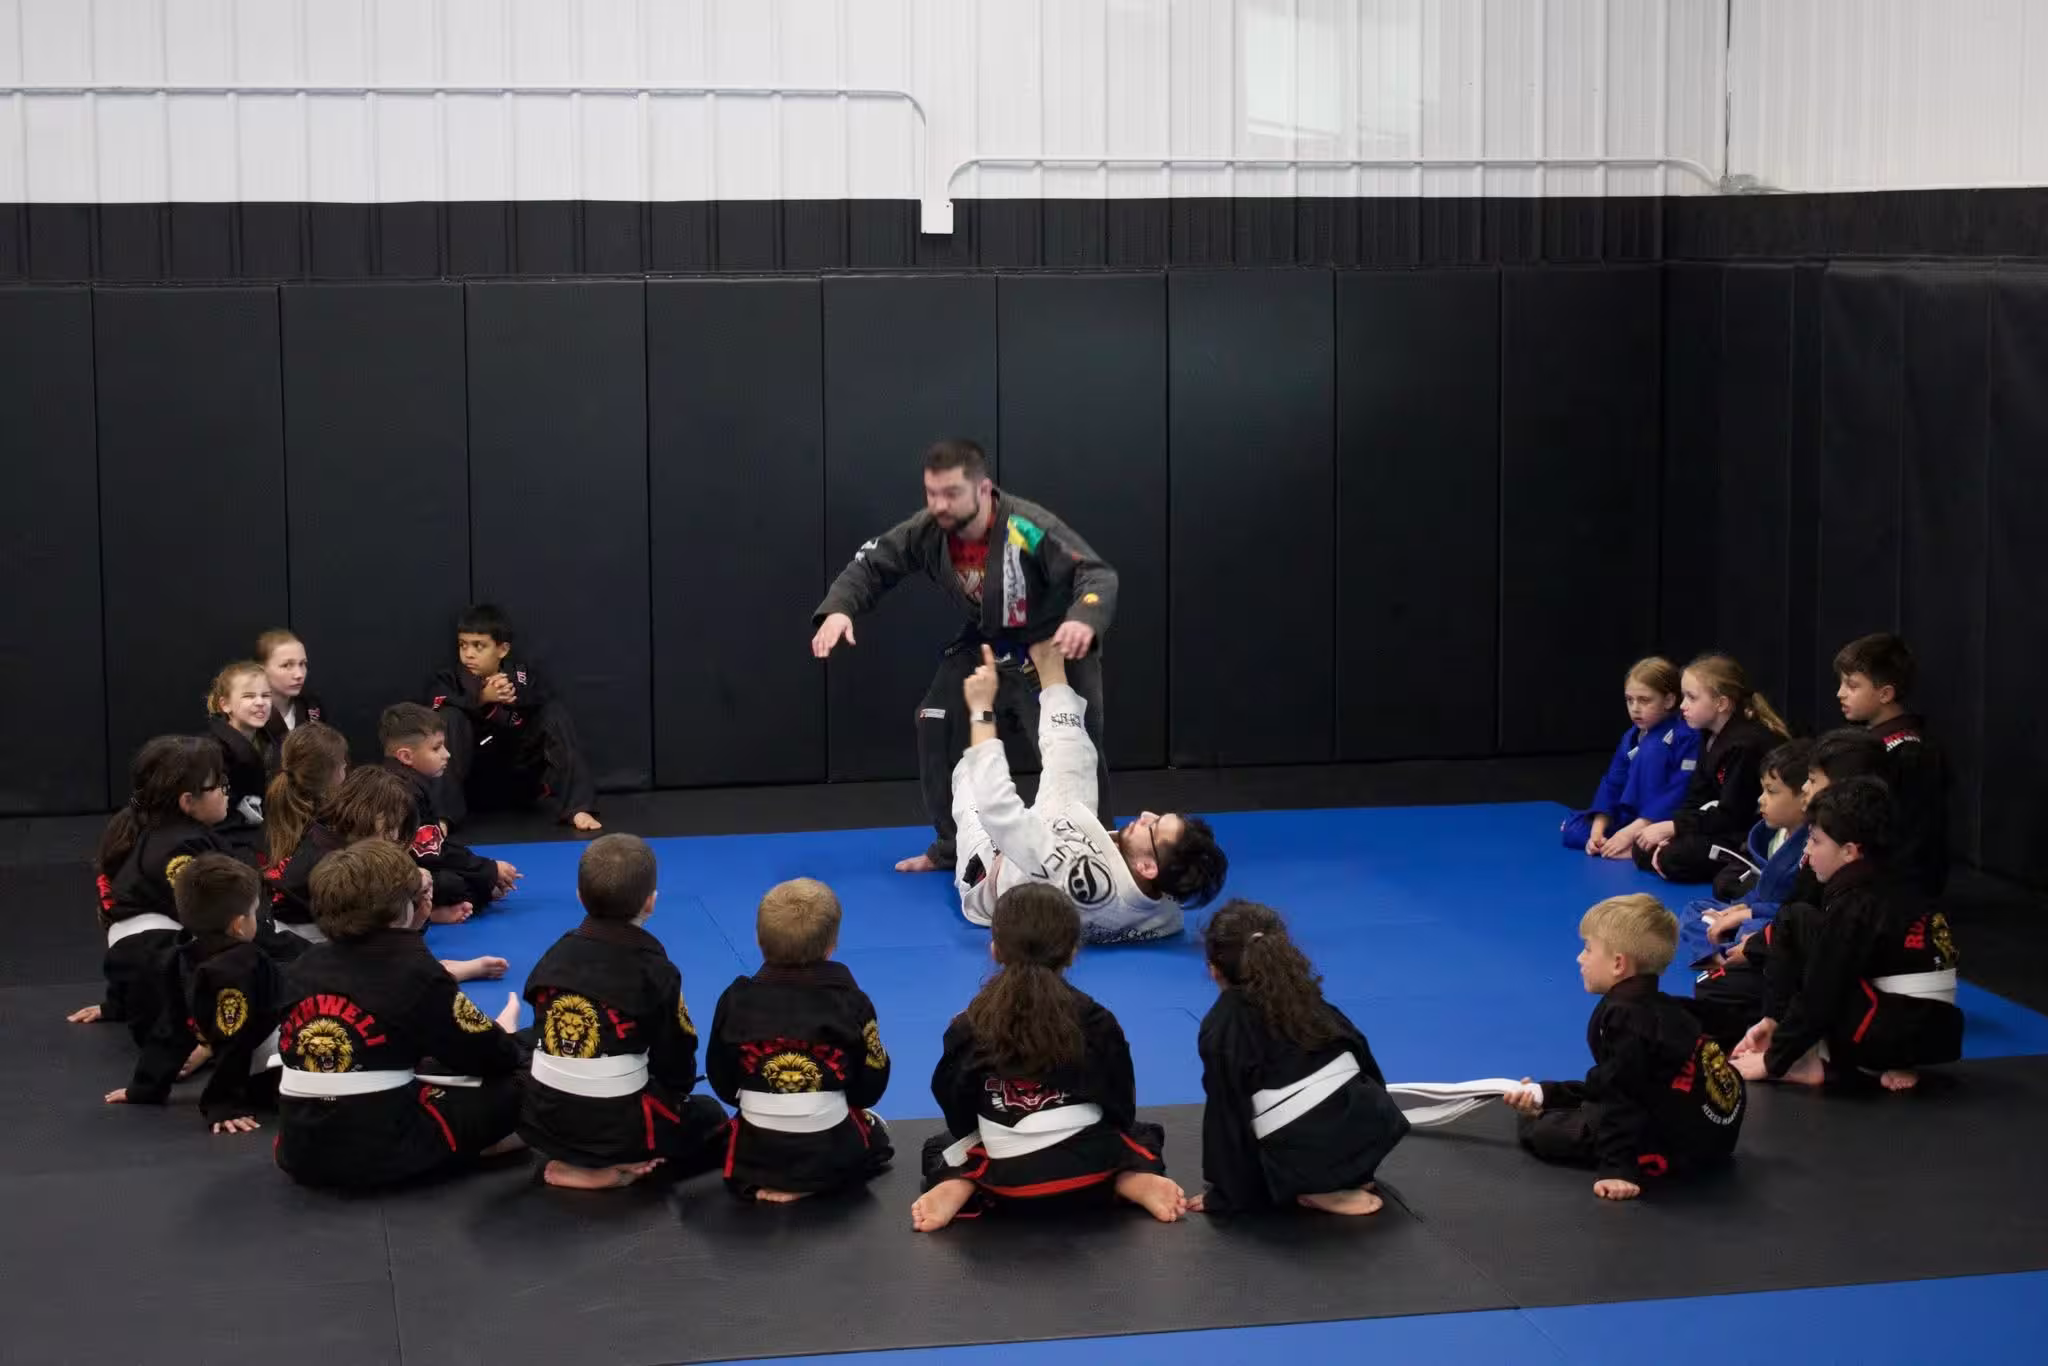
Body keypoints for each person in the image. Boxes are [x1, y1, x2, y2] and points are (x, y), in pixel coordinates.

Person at [810, 438, 1118, 875]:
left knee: (1073, 747)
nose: (939, 505)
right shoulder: (930, 529)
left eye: (951, 494)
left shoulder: (1023, 527)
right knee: (934, 717)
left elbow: (1094, 572)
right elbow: (872, 562)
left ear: (983, 490)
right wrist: (840, 609)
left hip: (1052, 648)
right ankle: (953, 849)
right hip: (987, 643)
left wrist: (1085, 618)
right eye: (931, 494)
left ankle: (1099, 850)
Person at [913, 884, 1185, 1233]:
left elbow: (958, 1115)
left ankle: (964, 1182)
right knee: (1142, 1134)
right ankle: (1126, 1178)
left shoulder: (969, 1025)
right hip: (1091, 1170)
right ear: (1072, 952)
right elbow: (1121, 1107)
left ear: (995, 949)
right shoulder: (1097, 1020)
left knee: (940, 1147)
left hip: (1008, 1181)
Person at [272, 839, 526, 1189]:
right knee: (527, 1082)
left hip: (299, 1150)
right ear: (403, 909)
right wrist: (502, 1035)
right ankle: (477, 1146)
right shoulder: (414, 970)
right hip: (384, 1153)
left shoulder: (303, 965)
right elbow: (489, 1058)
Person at [951, 636, 1227, 944]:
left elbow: (999, 812)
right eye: (1159, 817)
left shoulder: (1080, 879)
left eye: (1154, 827)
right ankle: (1050, 668)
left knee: (969, 775)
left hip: (997, 870)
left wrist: (981, 709)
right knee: (1076, 757)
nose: (1147, 814)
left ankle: (1045, 671)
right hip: (1069, 835)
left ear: (1147, 867)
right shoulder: (1167, 907)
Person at [519, 835, 731, 1190]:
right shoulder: (655, 970)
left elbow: (542, 1026)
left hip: (542, 1121)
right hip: (620, 1130)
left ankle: (576, 1159)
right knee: (708, 1115)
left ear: (579, 896)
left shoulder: (553, 956)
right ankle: (610, 1169)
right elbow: (677, 1055)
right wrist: (674, 1097)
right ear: (650, 902)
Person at [1504, 894, 1744, 1200]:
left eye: (1588, 949)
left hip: (1680, 1147)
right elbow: (1614, 1078)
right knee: (1598, 1095)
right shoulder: (1663, 1005)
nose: (1580, 958)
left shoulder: (1625, 1018)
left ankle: (1540, 1120)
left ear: (1618, 963)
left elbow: (1622, 1095)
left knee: (1545, 1133)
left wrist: (1616, 1169)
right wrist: (1547, 1093)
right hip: (1718, 1135)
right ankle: (1549, 1101)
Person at [1731, 777, 1962, 1093]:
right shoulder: (1898, 879)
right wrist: (1772, 1020)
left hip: (1893, 1033)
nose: (1807, 853)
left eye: (1814, 841)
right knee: (1797, 920)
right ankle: (1865, 1058)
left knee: (1802, 937)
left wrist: (1776, 1058)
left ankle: (1816, 1062)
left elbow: (1821, 991)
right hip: (1935, 1032)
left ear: (1850, 851)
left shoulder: (1856, 903)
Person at [1190, 901, 1407, 1216]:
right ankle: (1345, 1173)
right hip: (1374, 1132)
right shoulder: (1307, 998)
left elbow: (1226, 1114)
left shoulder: (1223, 1025)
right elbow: (1362, 1054)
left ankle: (1318, 1186)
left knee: (1268, 1120)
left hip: (1308, 1159)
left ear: (1213, 969)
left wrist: (1226, 1195)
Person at [1690, 729, 1887, 1047]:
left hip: (1845, 984)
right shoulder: (1826, 837)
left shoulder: (1862, 869)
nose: (1806, 789)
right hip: (1800, 945)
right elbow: (1794, 913)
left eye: (1812, 780)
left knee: (1716, 988)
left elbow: (1815, 934)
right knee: (1703, 926)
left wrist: (1756, 944)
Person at [705, 878, 893, 1202]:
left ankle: (773, 1178)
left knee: (712, 1122)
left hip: (753, 1159)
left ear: (758, 940)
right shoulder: (852, 1003)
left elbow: (721, 1079)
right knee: (877, 1138)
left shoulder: (734, 999)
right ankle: (811, 1182)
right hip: (828, 1156)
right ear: (831, 947)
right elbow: (871, 1087)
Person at [104, 854, 298, 1133]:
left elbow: (172, 1028)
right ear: (238, 925)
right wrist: (223, 1105)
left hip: (257, 1042)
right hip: (271, 1051)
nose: (257, 918)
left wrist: (146, 1087)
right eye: (254, 912)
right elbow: (234, 1040)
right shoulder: (241, 966)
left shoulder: (179, 954)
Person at [269, 765, 507, 985]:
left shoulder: (334, 837)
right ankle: (441, 973)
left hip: (310, 941)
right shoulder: (339, 865)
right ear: (373, 817)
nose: (394, 841)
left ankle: (436, 969)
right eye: (392, 830)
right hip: (302, 952)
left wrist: (422, 913)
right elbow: (379, 942)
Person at [68, 736, 231, 1044]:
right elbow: (221, 923)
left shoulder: (156, 830)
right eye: (218, 784)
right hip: (159, 977)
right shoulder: (179, 847)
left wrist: (118, 1002)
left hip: (147, 964)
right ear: (187, 802)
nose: (226, 790)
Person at [427, 604, 600, 832]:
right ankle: (441, 818)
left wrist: (512, 696)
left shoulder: (521, 674)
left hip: (519, 779)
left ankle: (578, 808)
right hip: (471, 784)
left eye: (479, 646)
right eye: (463, 645)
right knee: (448, 716)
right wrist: (481, 698)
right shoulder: (449, 679)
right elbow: (435, 707)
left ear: (502, 649)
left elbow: (541, 699)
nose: (468, 653)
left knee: (553, 713)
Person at [1632, 654, 1790, 883]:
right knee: (1643, 847)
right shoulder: (1708, 734)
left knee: (1674, 857)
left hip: (1747, 830)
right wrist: (1674, 829)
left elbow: (1734, 815)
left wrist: (1676, 828)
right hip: (1720, 824)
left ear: (1721, 703)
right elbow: (1696, 796)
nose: (1682, 706)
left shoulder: (1746, 745)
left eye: (1691, 698)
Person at [1680, 738, 1813, 968]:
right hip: (1756, 910)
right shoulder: (1773, 836)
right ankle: (1722, 956)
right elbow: (1760, 891)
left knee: (1752, 930)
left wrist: (1746, 914)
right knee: (1697, 910)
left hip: (1776, 921)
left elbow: (1796, 911)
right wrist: (1738, 908)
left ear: (1804, 797)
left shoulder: (1811, 847)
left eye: (1771, 792)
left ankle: (1730, 954)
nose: (1761, 800)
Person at [380, 702, 518, 922]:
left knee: (463, 876)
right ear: (406, 756)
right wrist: (488, 871)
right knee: (452, 885)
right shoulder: (405, 793)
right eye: (436, 748)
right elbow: (431, 855)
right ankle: (426, 913)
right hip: (383, 882)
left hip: (394, 869)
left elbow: (435, 844)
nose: (447, 754)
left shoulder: (405, 782)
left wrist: (484, 869)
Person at [1834, 632, 1949, 894]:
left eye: (1852, 686)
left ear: (1885, 693)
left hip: (1892, 889)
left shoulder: (1909, 753)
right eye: (1841, 684)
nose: (1840, 693)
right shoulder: (1869, 742)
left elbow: (1912, 839)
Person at [1561, 657, 1700, 858]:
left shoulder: (1687, 736)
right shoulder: (1631, 735)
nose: (1635, 708)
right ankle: (1619, 842)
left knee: (1668, 846)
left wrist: (1635, 829)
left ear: (1669, 701)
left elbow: (1679, 791)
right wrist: (1597, 831)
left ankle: (1637, 845)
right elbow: (1613, 783)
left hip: (1659, 820)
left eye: (1644, 700)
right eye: (1629, 700)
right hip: (1628, 816)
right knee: (1574, 829)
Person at [205, 660, 275, 859]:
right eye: (249, 696)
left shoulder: (272, 742)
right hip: (229, 846)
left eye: (266, 695)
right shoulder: (212, 751)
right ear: (225, 705)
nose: (260, 702)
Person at [264, 723, 349, 875]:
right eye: (342, 761)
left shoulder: (274, 807)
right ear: (328, 774)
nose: (346, 764)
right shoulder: (327, 835)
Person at [256, 629, 324, 745]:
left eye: (302, 664)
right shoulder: (249, 713)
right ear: (262, 669)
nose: (299, 674)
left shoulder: (312, 707)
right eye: (287, 665)